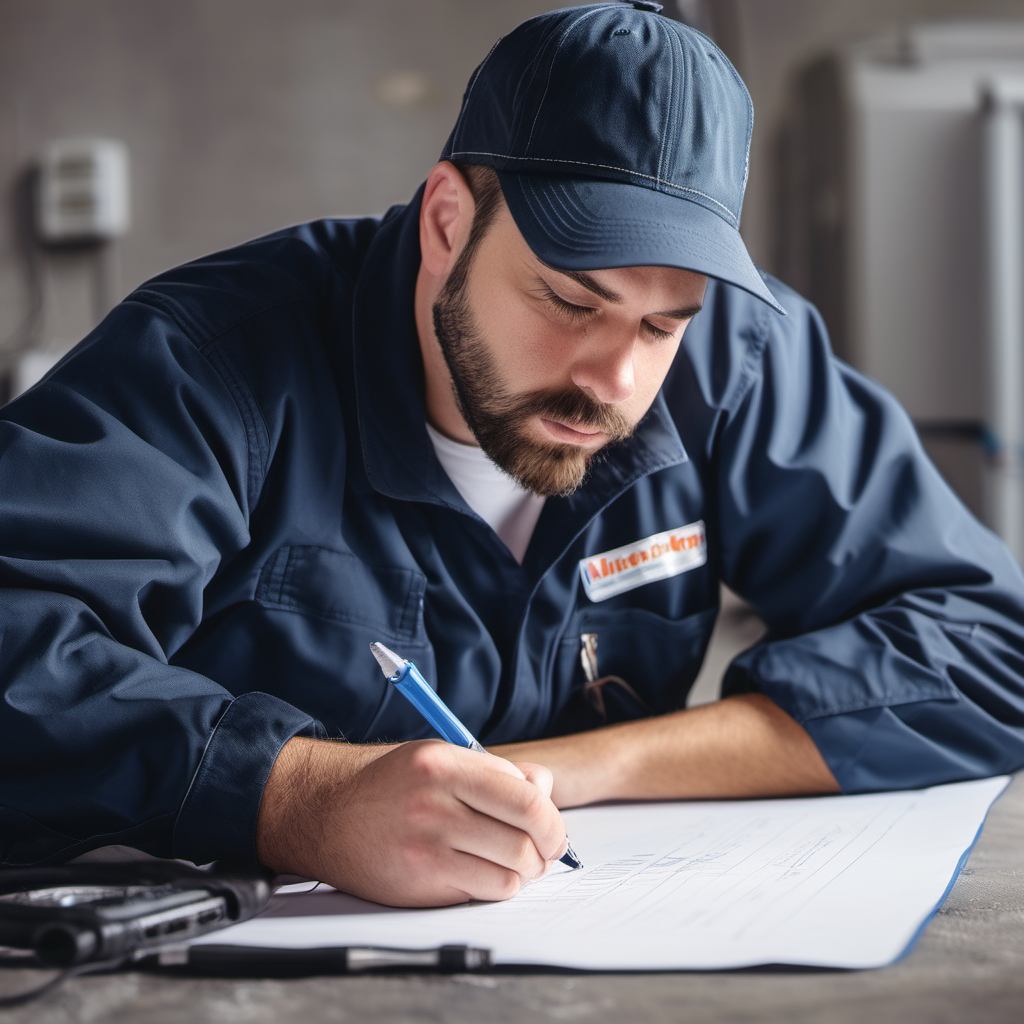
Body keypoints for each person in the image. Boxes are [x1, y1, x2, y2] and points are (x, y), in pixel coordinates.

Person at [2, 1, 1023, 908]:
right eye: (571, 302)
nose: (614, 378)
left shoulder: (737, 360)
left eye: (661, 324)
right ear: (449, 220)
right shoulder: (210, 362)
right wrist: (300, 799)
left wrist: (565, 771)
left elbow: (987, 651)